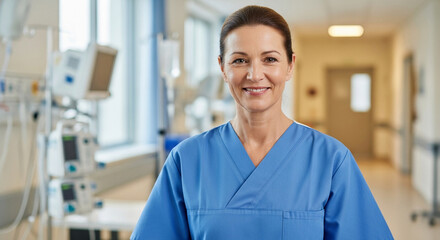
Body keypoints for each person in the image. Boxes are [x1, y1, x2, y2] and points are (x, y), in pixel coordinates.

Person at [131, 5, 393, 240]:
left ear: (290, 66)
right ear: (223, 68)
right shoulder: (186, 161)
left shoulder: (331, 160)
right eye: (240, 60)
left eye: (270, 59)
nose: (255, 74)